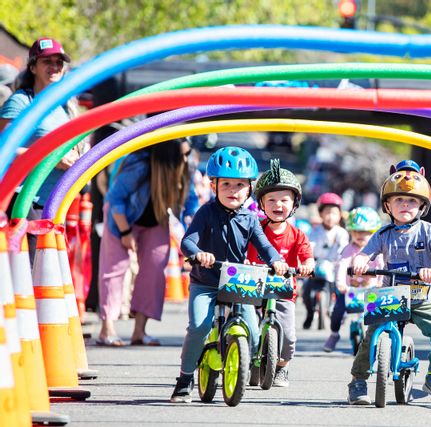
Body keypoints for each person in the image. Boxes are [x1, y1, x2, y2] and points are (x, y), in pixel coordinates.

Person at [170, 146, 288, 403]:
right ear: (213, 186)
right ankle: (185, 378)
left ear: (249, 189)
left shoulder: (250, 218)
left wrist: (277, 260)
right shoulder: (206, 212)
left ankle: (242, 359)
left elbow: (264, 246)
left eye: (239, 185)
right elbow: (187, 242)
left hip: (237, 284)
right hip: (207, 281)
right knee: (199, 327)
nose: (233, 190)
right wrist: (199, 253)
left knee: (254, 334)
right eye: (226, 184)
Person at [347, 161, 431, 405]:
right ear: (388, 205)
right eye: (399, 200)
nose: (405, 205)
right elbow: (365, 254)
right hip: (389, 295)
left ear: (422, 206)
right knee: (371, 336)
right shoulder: (383, 234)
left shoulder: (428, 231)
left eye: (412, 201)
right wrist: (361, 263)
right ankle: (358, 381)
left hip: (421, 296)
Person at [97, 138, 195, 346]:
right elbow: (115, 198)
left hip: (155, 220)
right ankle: (107, 329)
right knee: (114, 270)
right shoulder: (141, 165)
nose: (187, 159)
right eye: (182, 155)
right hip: (122, 219)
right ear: (167, 155)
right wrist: (125, 232)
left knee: (154, 271)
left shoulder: (185, 169)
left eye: (188, 153)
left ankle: (139, 331)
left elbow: (191, 203)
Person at [0, 38, 82, 260]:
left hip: (55, 204)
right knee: (30, 279)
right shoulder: (22, 102)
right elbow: (3, 150)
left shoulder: (65, 107)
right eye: (48, 61)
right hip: (26, 202)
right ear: (33, 67)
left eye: (59, 62)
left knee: (48, 283)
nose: (54, 67)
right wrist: (52, 158)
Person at [246, 159, 315, 387]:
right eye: (271, 200)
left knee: (288, 333)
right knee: (245, 323)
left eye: (284, 200)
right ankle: (244, 359)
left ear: (294, 204)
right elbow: (242, 250)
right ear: (261, 204)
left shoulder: (297, 234)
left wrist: (307, 265)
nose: (278, 204)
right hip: (254, 287)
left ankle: (282, 367)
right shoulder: (255, 230)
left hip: (284, 291)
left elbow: (307, 256)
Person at [323, 206, 384, 353]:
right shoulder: (349, 249)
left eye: (366, 232)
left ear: (374, 232)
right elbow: (342, 266)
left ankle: (374, 339)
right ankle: (334, 334)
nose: (361, 235)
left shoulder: (377, 251)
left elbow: (382, 266)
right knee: (337, 311)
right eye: (357, 231)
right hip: (349, 290)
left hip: (370, 290)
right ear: (350, 231)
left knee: (374, 313)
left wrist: (381, 283)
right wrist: (340, 284)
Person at [303, 192, 349, 329]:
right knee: (306, 290)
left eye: (334, 213)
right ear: (321, 214)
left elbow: (344, 249)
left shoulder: (341, 233)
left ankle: (339, 311)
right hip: (316, 265)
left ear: (340, 215)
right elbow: (308, 245)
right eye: (327, 212)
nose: (330, 216)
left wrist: (341, 260)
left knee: (340, 288)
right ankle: (310, 313)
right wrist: (307, 259)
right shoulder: (315, 231)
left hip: (334, 266)